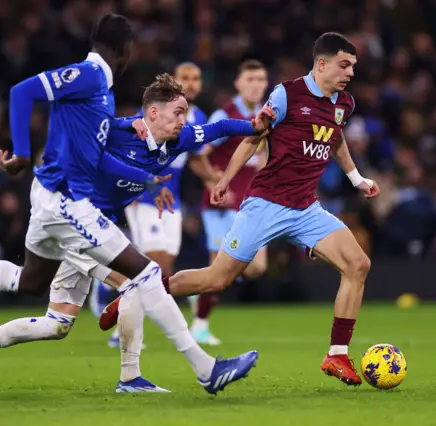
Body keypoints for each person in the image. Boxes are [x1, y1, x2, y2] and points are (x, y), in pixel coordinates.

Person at [0, 14, 259, 395]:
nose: (184, 119)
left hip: (71, 208)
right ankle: (186, 371)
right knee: (140, 278)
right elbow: (61, 123)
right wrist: (28, 156)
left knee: (46, 308)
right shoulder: (103, 97)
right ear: (152, 113)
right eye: (177, 112)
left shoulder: (162, 132)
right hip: (72, 206)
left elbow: (219, 129)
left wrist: (256, 125)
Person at [100, 32, 380, 387]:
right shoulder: (287, 94)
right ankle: (136, 291)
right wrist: (224, 180)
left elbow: (334, 135)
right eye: (344, 64)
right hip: (266, 204)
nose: (350, 72)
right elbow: (254, 136)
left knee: (358, 264)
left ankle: (337, 355)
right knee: (216, 278)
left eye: (353, 66)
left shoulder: (344, 103)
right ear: (321, 64)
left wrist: (356, 177)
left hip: (306, 207)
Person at [89, 62, 214, 348]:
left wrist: (215, 180)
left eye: (196, 78)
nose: (191, 83)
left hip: (173, 200)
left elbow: (196, 159)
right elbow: (126, 145)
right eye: (185, 78)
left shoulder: (198, 117)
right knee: (153, 263)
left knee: (164, 266)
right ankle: (120, 324)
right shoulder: (152, 116)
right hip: (144, 198)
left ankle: (112, 288)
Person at [190, 60, 270, 345]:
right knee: (217, 269)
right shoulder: (225, 114)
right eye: (249, 78)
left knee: (257, 267)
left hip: (252, 205)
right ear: (237, 83)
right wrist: (215, 182)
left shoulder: (269, 115)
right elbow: (198, 153)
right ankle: (199, 324)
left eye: (260, 79)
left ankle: (196, 286)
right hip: (220, 203)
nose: (256, 84)